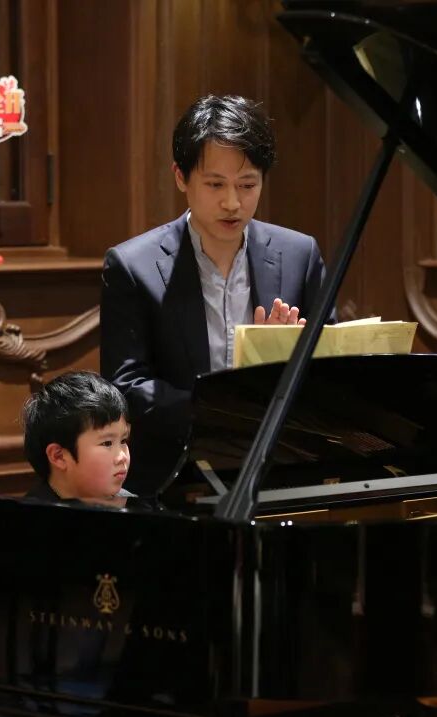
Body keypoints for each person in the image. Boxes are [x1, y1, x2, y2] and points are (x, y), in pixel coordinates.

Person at [101, 94, 330, 495]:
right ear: (181, 177)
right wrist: (227, 409)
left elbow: (332, 366)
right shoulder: (133, 266)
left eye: (247, 185)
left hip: (281, 472)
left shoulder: (299, 255)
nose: (232, 202)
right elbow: (126, 386)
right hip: (176, 477)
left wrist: (281, 360)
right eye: (215, 184)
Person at [21, 371, 132, 503]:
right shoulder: (31, 512)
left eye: (123, 440)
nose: (123, 457)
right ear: (59, 456)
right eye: (107, 443)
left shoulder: (134, 504)